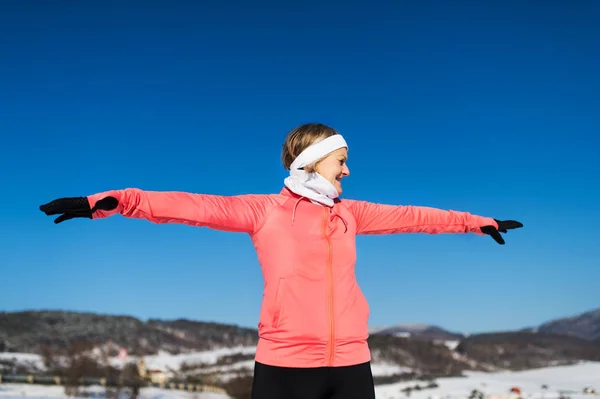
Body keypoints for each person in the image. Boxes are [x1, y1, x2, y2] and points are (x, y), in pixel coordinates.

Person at [40, 123, 523, 399]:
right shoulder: (264, 211)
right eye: (341, 161)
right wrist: (114, 200)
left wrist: (475, 222)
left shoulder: (350, 213)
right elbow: (189, 206)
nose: (348, 170)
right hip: (285, 369)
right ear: (311, 162)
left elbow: (415, 216)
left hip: (353, 366)